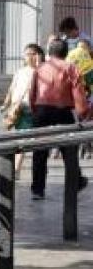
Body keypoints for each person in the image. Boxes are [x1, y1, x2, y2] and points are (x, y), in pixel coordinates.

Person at [29, 39, 89, 200]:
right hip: (63, 111)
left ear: (49, 52)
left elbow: (32, 92)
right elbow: (78, 93)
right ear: (66, 53)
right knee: (69, 149)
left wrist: (35, 111)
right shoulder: (70, 68)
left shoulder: (40, 68)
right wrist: (83, 112)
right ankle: (75, 181)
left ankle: (37, 189)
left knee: (39, 150)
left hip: (41, 111)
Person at [0, 43, 43, 173]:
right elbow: (12, 88)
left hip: (29, 109)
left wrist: (39, 65)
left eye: (32, 54)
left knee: (24, 139)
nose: (29, 57)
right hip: (15, 109)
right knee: (17, 139)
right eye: (27, 54)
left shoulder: (40, 71)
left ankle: (17, 169)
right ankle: (16, 168)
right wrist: (5, 104)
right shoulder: (20, 71)